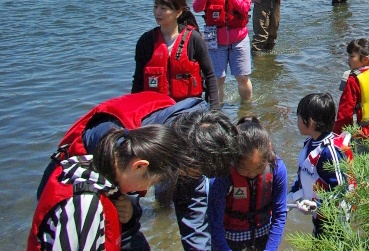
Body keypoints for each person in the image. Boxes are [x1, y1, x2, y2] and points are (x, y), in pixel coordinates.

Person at [34, 92, 241, 251]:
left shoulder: (191, 142)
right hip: (75, 189)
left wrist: (131, 212)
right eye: (194, 173)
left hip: (121, 188)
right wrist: (123, 203)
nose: (194, 178)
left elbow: (194, 220)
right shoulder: (116, 142)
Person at [29, 124, 184, 251]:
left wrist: (128, 220)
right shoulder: (86, 203)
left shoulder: (90, 167)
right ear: (139, 166)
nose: (144, 190)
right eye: (152, 183)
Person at [133, 0, 218, 109]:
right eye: (155, 7)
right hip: (156, 109)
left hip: (189, 108)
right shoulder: (145, 41)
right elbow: (138, 80)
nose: (157, 12)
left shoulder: (194, 39)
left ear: (178, 12)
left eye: (163, 8)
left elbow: (210, 76)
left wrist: (215, 110)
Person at [208, 116, 287, 251]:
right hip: (229, 238)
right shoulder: (223, 174)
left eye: (258, 169)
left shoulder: (277, 168)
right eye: (244, 169)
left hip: (263, 235)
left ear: (266, 159)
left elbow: (279, 215)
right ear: (234, 160)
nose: (251, 174)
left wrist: (270, 249)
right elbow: (214, 222)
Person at [288, 93, 353, 239]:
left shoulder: (330, 152)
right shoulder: (309, 145)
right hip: (319, 218)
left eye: (298, 117)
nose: (296, 121)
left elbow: (340, 190)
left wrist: (317, 205)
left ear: (310, 122)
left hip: (334, 222)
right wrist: (290, 197)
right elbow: (302, 175)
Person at [194, 0, 253, 104]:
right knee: (217, 79)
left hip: (239, 39)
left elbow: (245, 9)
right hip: (216, 41)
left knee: (243, 77)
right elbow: (196, 8)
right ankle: (216, 111)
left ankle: (246, 108)